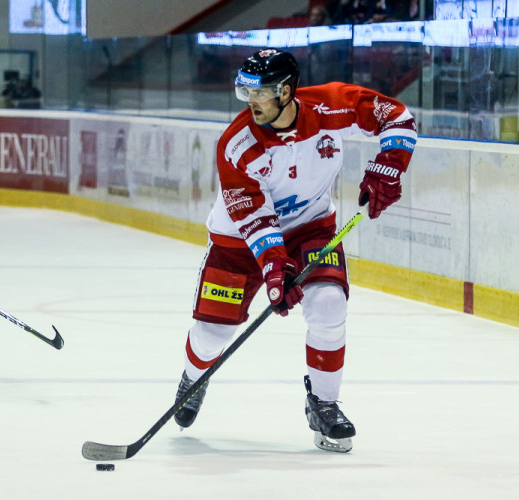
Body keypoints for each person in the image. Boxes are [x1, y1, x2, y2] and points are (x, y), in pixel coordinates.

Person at [172, 49, 417, 452]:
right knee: (212, 335)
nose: (250, 102)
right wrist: (273, 268)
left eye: (260, 93)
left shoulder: (331, 105)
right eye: (244, 92)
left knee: (329, 306)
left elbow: (397, 117)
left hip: (311, 228)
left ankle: (323, 403)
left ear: (286, 92)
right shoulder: (237, 145)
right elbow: (253, 216)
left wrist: (390, 163)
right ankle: (193, 376)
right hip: (238, 243)